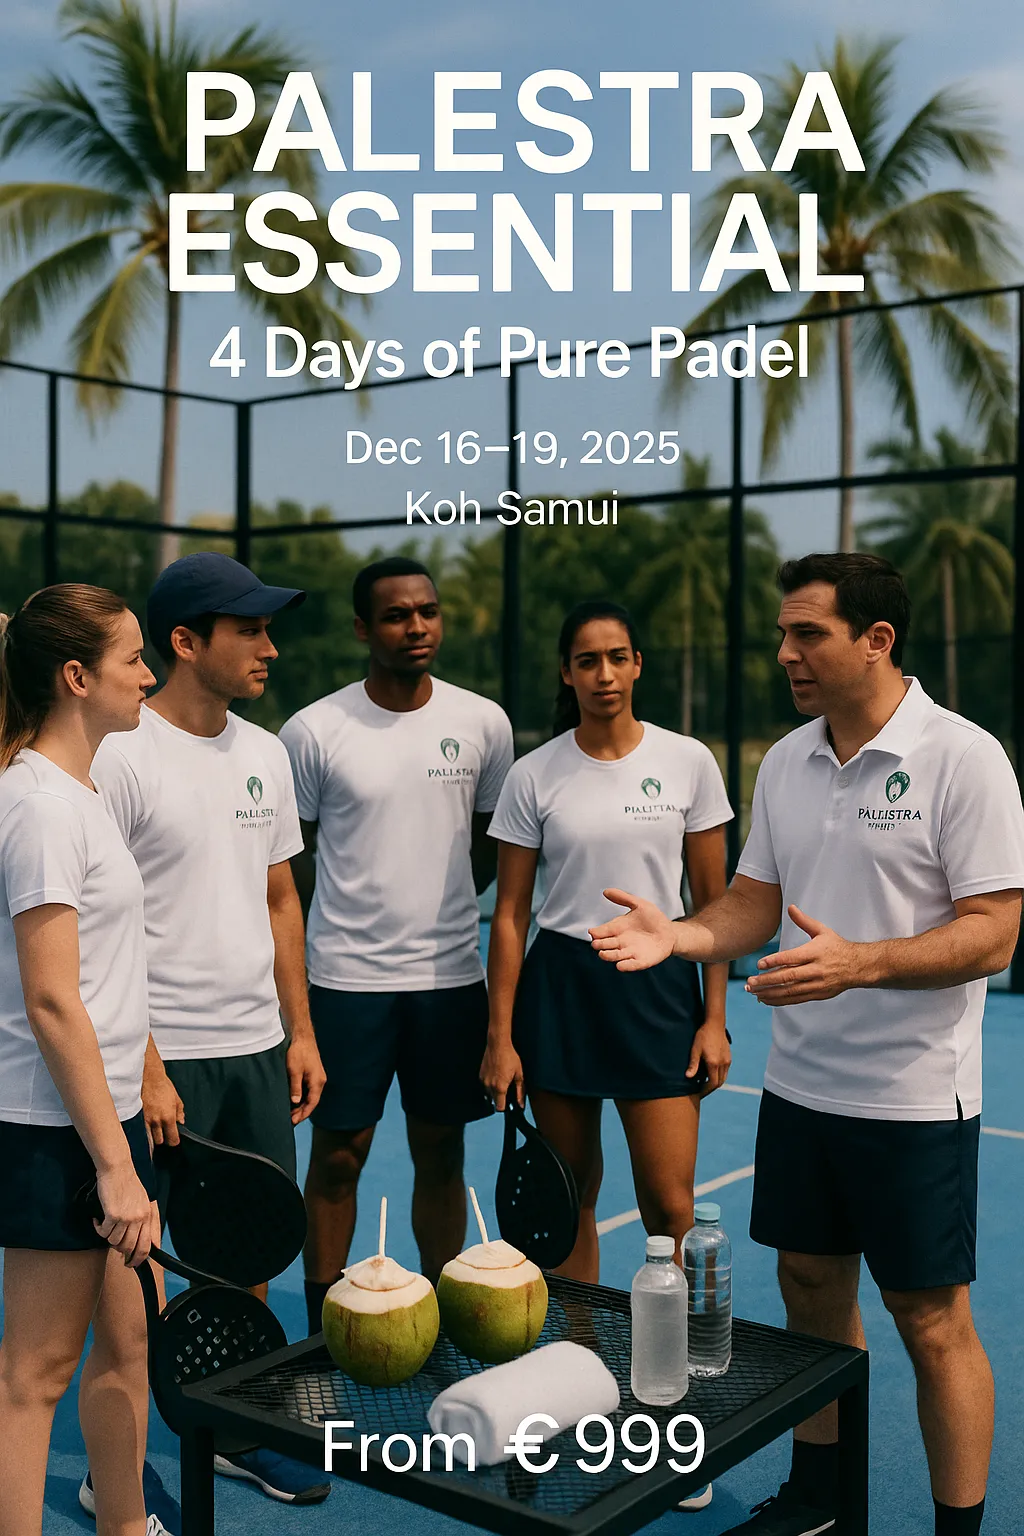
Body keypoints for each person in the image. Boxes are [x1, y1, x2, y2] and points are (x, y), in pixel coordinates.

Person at [590, 554, 1024, 1536]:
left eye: (808, 634)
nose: (785, 652)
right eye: (783, 634)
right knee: (811, 1289)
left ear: (876, 640)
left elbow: (994, 931)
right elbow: (752, 903)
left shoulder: (963, 757)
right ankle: (824, 1503)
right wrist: (679, 935)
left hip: (913, 1102)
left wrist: (861, 964)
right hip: (800, 1091)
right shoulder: (785, 759)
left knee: (930, 1321)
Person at [90, 552, 329, 1510]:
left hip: (256, 1047)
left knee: (249, 1258)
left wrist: (299, 1032)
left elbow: (280, 899)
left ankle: (232, 1431)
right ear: (186, 642)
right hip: (153, 1059)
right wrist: (145, 1064)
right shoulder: (118, 755)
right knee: (136, 1277)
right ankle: (126, 1463)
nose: (270, 647)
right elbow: (98, 924)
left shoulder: (266, 753)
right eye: (251, 631)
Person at [281, 555, 514, 1330]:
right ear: (361, 629)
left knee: (441, 1155)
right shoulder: (314, 730)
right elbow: (293, 857)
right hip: (345, 983)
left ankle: (439, 1314)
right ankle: (324, 1326)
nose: (415, 626)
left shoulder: (483, 723)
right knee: (338, 1157)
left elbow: (487, 847)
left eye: (427, 611)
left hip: (450, 981)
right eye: (394, 615)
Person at [483, 599, 733, 1276]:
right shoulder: (533, 774)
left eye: (617, 657)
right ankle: (581, 1358)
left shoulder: (688, 762)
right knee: (571, 1200)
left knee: (671, 1205)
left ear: (638, 665)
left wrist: (715, 1021)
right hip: (561, 990)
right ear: (566, 673)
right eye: (587, 661)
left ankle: (683, 1360)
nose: (604, 674)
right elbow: (509, 915)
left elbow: (713, 906)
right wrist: (500, 1038)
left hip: (658, 990)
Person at [0, 586, 170, 1536]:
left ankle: (126, 1523)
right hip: (51, 1133)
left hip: (100, 1126)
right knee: (34, 1374)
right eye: (134, 658)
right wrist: (112, 1167)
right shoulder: (35, 805)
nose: (148, 675)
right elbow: (52, 998)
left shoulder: (79, 792)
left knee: (128, 1345)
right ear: (77, 678)